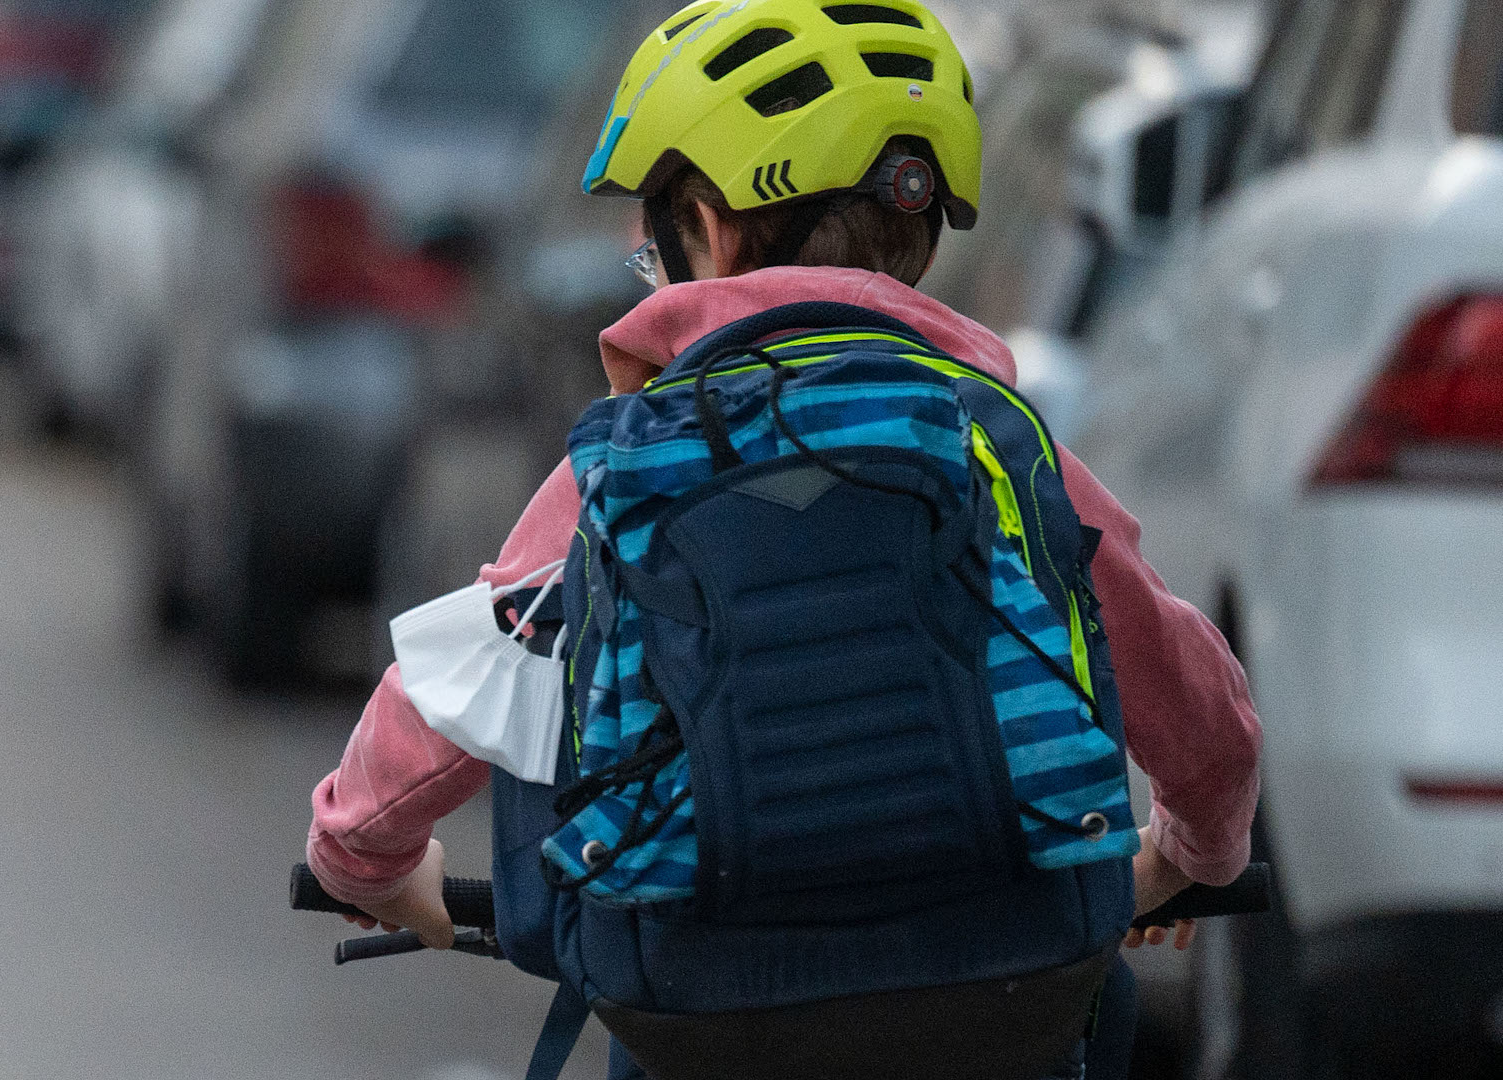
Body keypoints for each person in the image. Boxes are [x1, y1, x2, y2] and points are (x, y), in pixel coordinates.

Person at [309, 0, 1260, 1074]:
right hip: (1004, 986)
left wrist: (365, 863)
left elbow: (452, 690)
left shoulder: (632, 460)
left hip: (700, 1003)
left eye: (654, 245)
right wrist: (1189, 853)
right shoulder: (994, 443)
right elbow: (1199, 707)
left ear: (708, 228)